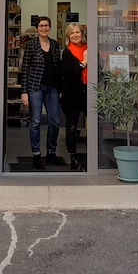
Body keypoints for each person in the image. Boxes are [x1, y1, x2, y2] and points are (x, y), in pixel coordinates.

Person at [20, 16, 64, 170]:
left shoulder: (55, 45)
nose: (44, 28)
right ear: (37, 28)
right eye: (41, 25)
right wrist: (24, 92)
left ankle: (51, 153)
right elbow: (25, 68)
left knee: (55, 121)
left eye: (46, 25)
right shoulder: (31, 45)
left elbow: (58, 69)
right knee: (36, 122)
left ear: (50, 27)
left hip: (53, 88)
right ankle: (36, 155)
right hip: (35, 87)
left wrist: (60, 88)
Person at [60, 22, 88, 170]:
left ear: (82, 34)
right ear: (68, 36)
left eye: (78, 32)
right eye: (72, 33)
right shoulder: (67, 53)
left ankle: (96, 154)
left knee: (95, 123)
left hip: (88, 91)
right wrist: (83, 62)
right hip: (72, 93)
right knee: (71, 126)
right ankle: (73, 157)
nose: (75, 35)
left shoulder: (89, 49)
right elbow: (69, 75)